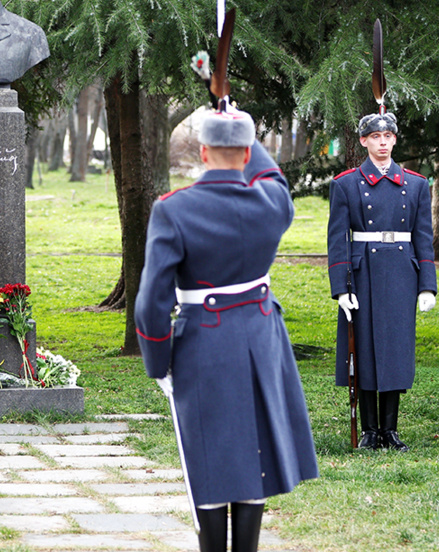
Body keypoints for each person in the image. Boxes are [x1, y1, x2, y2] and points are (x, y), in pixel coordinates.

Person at [134, 108, 318, 552]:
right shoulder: (273, 202)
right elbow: (271, 174)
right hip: (261, 338)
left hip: (204, 343)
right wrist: (241, 123)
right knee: (254, 453)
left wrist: (159, 363)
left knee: (209, 456)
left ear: (202, 151)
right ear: (247, 150)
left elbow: (151, 304)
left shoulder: (173, 210)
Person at [327, 113, 437, 451]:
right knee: (363, 350)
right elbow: (337, 240)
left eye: (389, 135)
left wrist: (427, 285)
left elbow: (423, 237)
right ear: (363, 141)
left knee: (395, 351)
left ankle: (390, 429)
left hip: (402, 270)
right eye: (376, 136)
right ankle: (369, 430)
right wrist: (340, 287)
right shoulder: (346, 183)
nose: (383, 141)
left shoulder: (416, 184)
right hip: (363, 274)